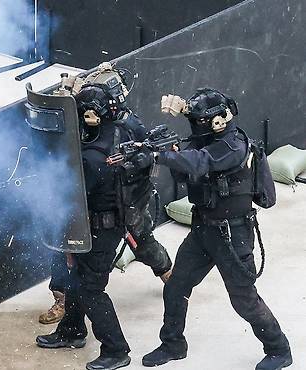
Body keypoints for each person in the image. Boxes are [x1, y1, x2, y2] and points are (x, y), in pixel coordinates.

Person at [142, 88, 292, 370]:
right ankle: (173, 344)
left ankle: (279, 349)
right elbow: (187, 168)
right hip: (203, 230)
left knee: (244, 300)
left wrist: (162, 156)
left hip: (232, 235)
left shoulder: (233, 145)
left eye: (200, 121)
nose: (196, 126)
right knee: (176, 287)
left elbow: (201, 162)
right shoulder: (208, 140)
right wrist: (172, 144)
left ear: (218, 120)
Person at [36, 71, 171, 370]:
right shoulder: (125, 126)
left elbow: (73, 192)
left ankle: (116, 350)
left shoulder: (93, 156)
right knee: (75, 279)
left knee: (90, 289)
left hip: (102, 227)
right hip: (119, 216)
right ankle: (72, 331)